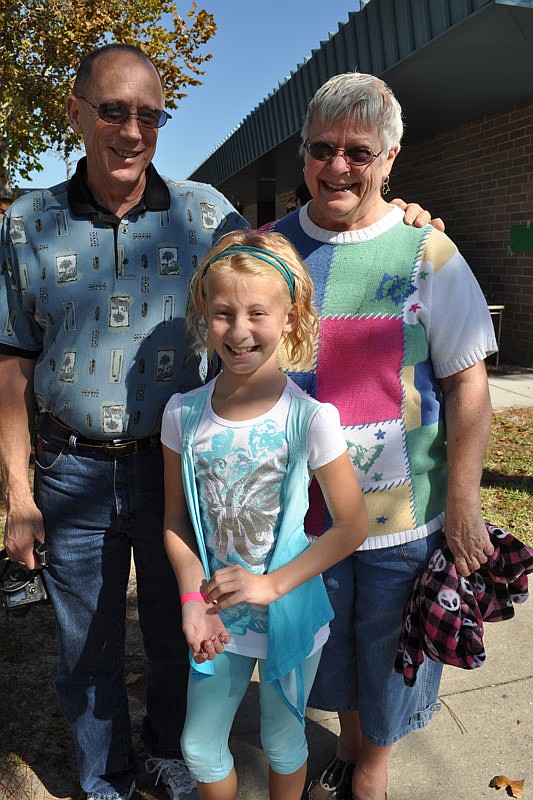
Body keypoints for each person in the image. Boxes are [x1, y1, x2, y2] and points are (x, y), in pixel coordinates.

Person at [0, 43, 247, 800]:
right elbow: (11, 366)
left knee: (181, 632)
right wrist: (18, 497)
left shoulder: (206, 213)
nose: (132, 130)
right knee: (87, 647)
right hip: (69, 472)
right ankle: (105, 780)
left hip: (178, 469)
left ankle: (169, 752)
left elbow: (294, 263)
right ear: (77, 113)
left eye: (150, 114)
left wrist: (389, 210)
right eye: (114, 109)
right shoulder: (26, 223)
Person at [261, 72, 497, 800]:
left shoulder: (428, 252)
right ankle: (356, 746)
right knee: (330, 663)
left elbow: (466, 382)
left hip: (403, 521)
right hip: (303, 521)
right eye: (321, 149)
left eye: (358, 152)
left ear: (390, 158)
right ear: (302, 156)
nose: (337, 166)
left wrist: (462, 506)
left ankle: (369, 769)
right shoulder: (266, 251)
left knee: (390, 662)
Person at [161, 228, 369, 800]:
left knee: (283, 741)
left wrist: (270, 585)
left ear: (291, 318)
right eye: (224, 312)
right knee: (201, 747)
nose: (240, 330)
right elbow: (177, 521)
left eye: (258, 312)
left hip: (290, 612)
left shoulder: (312, 419)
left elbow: (352, 524)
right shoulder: (182, 415)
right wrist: (190, 602)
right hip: (215, 616)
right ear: (204, 314)